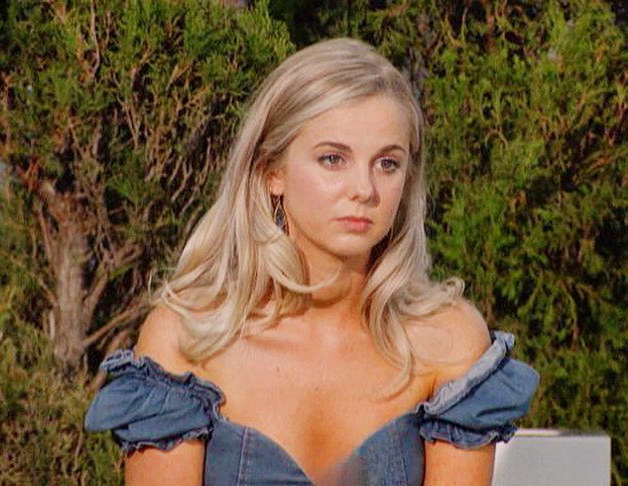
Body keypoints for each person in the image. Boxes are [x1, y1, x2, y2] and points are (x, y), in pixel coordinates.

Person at [85, 38, 538, 485]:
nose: (364, 189)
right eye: (333, 159)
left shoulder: (446, 342)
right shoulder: (186, 341)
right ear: (272, 173)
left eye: (387, 164)